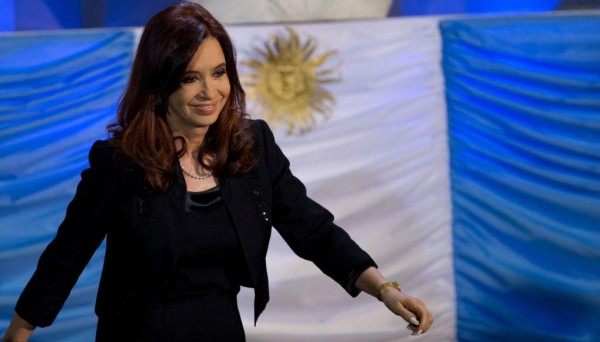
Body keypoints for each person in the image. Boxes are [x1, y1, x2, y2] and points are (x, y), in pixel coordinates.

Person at [2, 2, 433, 341]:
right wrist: (18, 334)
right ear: (159, 84)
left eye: (219, 72)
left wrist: (387, 290)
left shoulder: (252, 146)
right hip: (137, 334)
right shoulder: (120, 162)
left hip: (221, 330)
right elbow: (66, 256)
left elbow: (314, 231)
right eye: (190, 78)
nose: (211, 92)